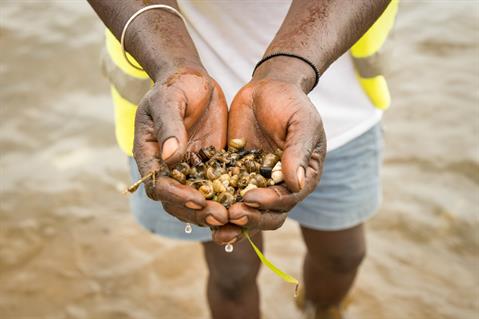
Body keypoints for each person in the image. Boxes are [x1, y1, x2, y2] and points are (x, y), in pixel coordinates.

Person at [88, 1, 398, 318]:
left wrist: (287, 71)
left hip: (334, 97)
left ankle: (321, 311)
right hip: (185, 116)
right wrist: (173, 65)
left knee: (342, 256)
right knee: (232, 274)